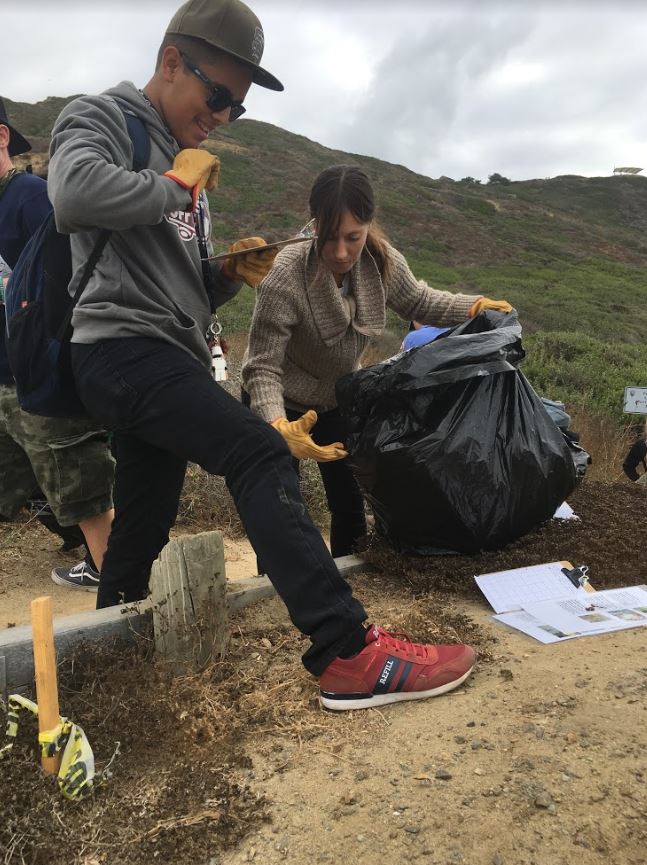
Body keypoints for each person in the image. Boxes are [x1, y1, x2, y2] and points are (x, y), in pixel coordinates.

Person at [47, 0, 475, 711]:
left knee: (146, 518)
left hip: (163, 353)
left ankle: (102, 660)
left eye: (234, 111)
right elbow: (70, 193)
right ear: (171, 62)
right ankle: (345, 651)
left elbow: (162, 283)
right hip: (120, 350)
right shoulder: (101, 117)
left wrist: (218, 277)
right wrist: (172, 186)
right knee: (259, 452)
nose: (219, 117)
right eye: (216, 97)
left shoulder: (190, 159)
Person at [242, 164, 513, 558]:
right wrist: (277, 426)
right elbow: (262, 365)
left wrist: (471, 306)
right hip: (280, 403)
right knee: (280, 505)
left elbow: (419, 300)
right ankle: (277, 589)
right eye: (329, 236)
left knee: (349, 500)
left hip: (334, 397)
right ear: (314, 223)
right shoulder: (286, 275)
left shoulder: (380, 262)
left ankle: (347, 580)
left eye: (353, 237)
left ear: (369, 224)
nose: (340, 251)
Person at [0, 97, 114, 590]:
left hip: (33, 370)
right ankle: (88, 548)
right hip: (5, 375)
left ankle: (120, 584)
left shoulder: (28, 195)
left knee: (77, 475)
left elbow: (63, 272)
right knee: (34, 479)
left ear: (2, 137)